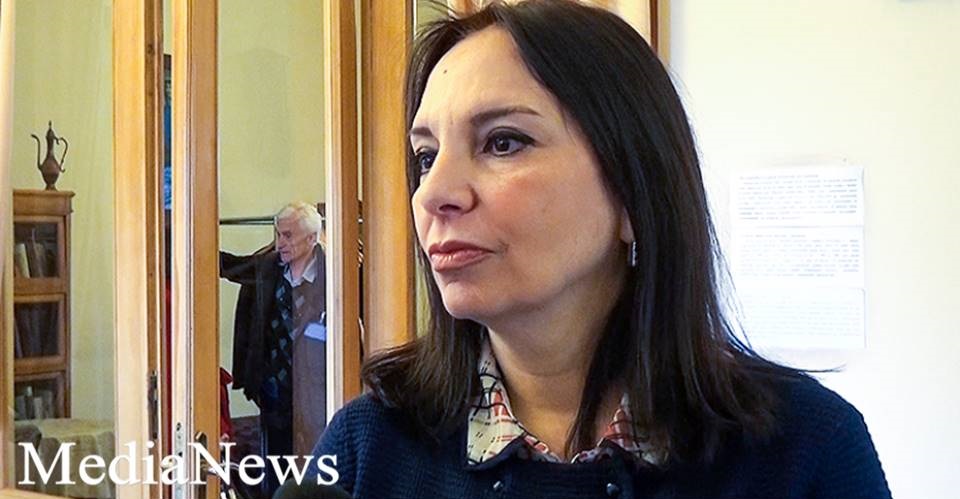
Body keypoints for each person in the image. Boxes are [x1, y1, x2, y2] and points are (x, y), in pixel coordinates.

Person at [306, 1, 891, 498]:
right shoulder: (367, 449)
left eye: (503, 142)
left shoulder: (805, 450)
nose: (434, 194)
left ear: (634, 193)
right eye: (426, 157)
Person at [220, 202, 327, 496]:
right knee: (276, 470)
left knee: (320, 467)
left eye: (288, 236)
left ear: (312, 238)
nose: (280, 243)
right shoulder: (269, 267)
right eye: (278, 234)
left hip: (320, 393)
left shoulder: (336, 273)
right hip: (274, 391)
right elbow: (230, 267)